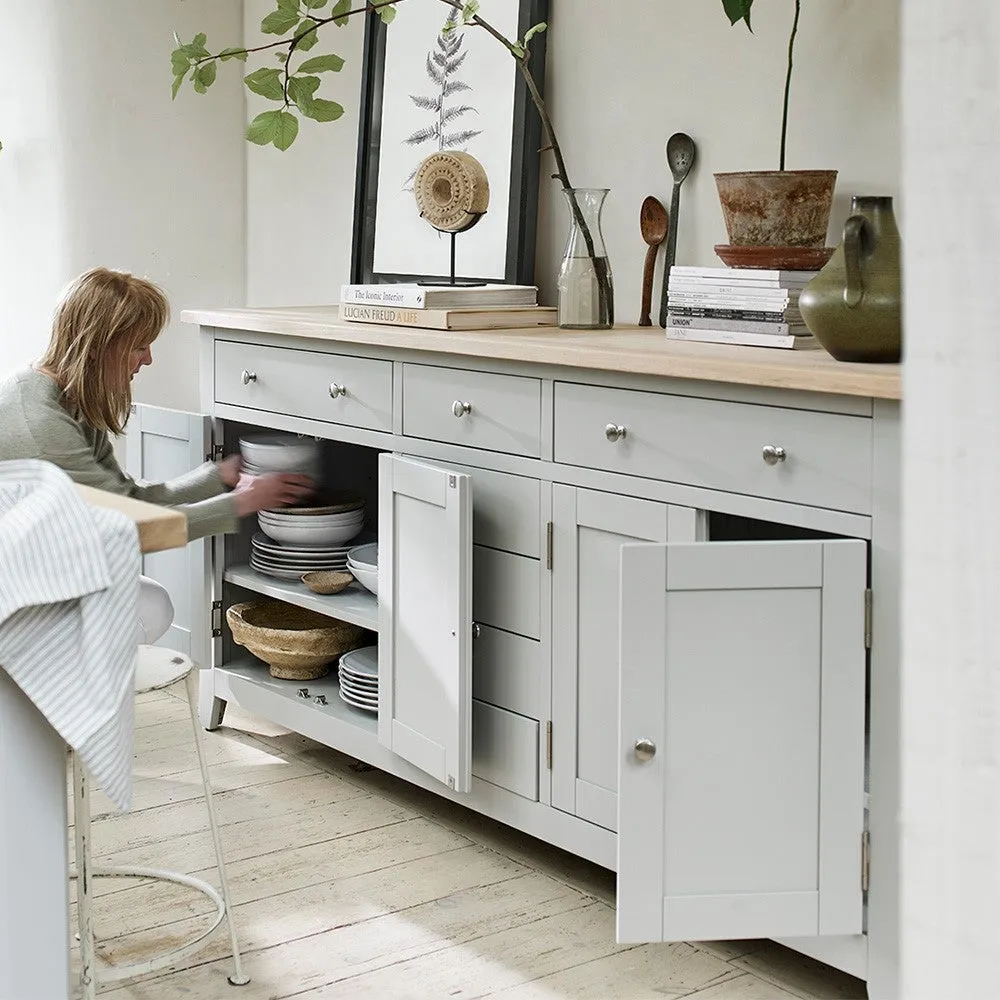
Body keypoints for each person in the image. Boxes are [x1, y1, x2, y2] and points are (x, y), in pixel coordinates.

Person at [0, 266, 314, 643]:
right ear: (98, 345)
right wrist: (242, 502)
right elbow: (131, 528)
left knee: (151, 605)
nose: (148, 359)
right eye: (139, 346)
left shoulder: (69, 398)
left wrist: (216, 477)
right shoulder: (40, 425)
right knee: (143, 610)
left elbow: (127, 500)